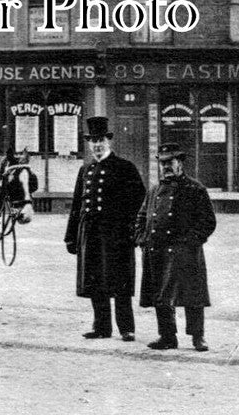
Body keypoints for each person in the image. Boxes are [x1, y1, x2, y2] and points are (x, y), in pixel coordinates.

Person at [64, 116, 145, 342]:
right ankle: (101, 327)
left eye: (101, 140)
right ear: (89, 144)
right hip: (89, 235)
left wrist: (132, 231)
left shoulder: (125, 167)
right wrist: (71, 237)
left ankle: (126, 328)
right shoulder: (85, 170)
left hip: (117, 236)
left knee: (120, 282)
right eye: (93, 141)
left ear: (108, 141)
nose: (97, 145)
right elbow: (76, 205)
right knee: (95, 281)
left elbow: (140, 202)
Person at [135, 144, 216, 351]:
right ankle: (167, 336)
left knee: (192, 296)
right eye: (162, 163)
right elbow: (142, 216)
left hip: (185, 252)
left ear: (180, 163)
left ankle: (198, 337)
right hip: (157, 250)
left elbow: (208, 221)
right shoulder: (154, 190)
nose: (165, 167)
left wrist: (192, 241)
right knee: (161, 296)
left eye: (169, 162)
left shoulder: (195, 189)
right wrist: (141, 237)